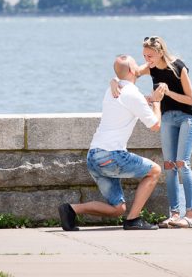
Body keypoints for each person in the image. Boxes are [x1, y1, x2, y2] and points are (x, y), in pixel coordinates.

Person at [58, 55, 163, 231]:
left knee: (118, 208)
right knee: (155, 171)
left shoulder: (114, 89)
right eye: (135, 63)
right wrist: (157, 102)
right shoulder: (131, 94)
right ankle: (133, 220)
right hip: (111, 155)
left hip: (94, 156)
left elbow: (132, 84)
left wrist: (115, 80)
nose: (139, 64)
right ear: (131, 70)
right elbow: (155, 125)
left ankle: (71, 209)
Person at [113, 36, 192, 228]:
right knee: (169, 166)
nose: (147, 60)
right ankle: (175, 214)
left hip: (187, 117)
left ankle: (191, 215)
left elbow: (190, 99)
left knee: (182, 163)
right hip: (168, 117)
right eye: (144, 56)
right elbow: (129, 72)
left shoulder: (178, 67)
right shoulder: (150, 67)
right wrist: (114, 81)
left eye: (150, 55)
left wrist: (167, 93)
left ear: (160, 52)